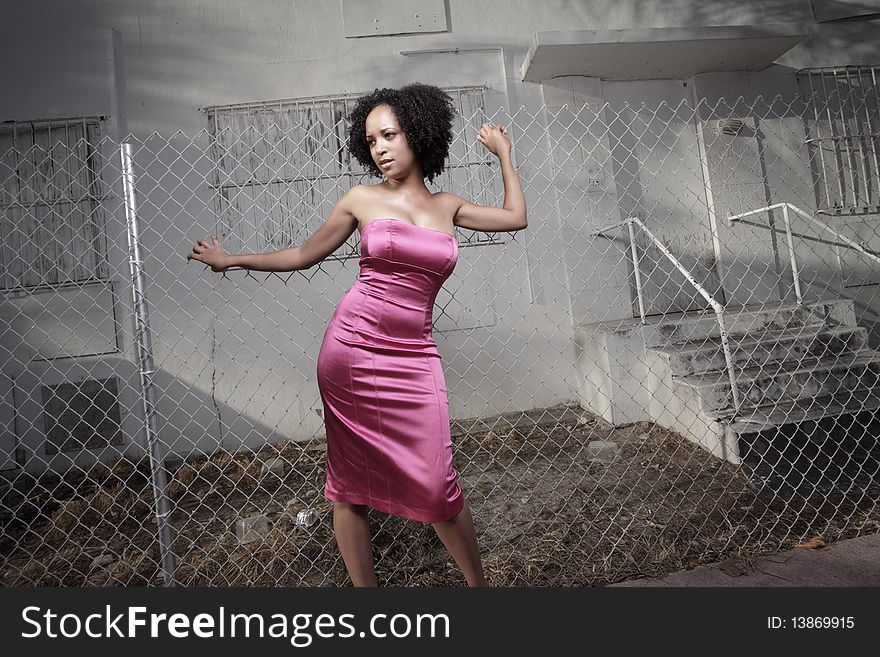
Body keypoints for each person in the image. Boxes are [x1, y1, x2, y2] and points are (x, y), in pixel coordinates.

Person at [187, 82, 527, 586]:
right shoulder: (361, 199)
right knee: (349, 486)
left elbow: (516, 218)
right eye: (371, 141)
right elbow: (304, 253)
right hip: (351, 351)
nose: (380, 148)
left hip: (414, 356)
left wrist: (503, 154)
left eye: (389, 135)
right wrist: (232, 258)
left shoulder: (449, 206)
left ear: (419, 135)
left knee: (438, 484)